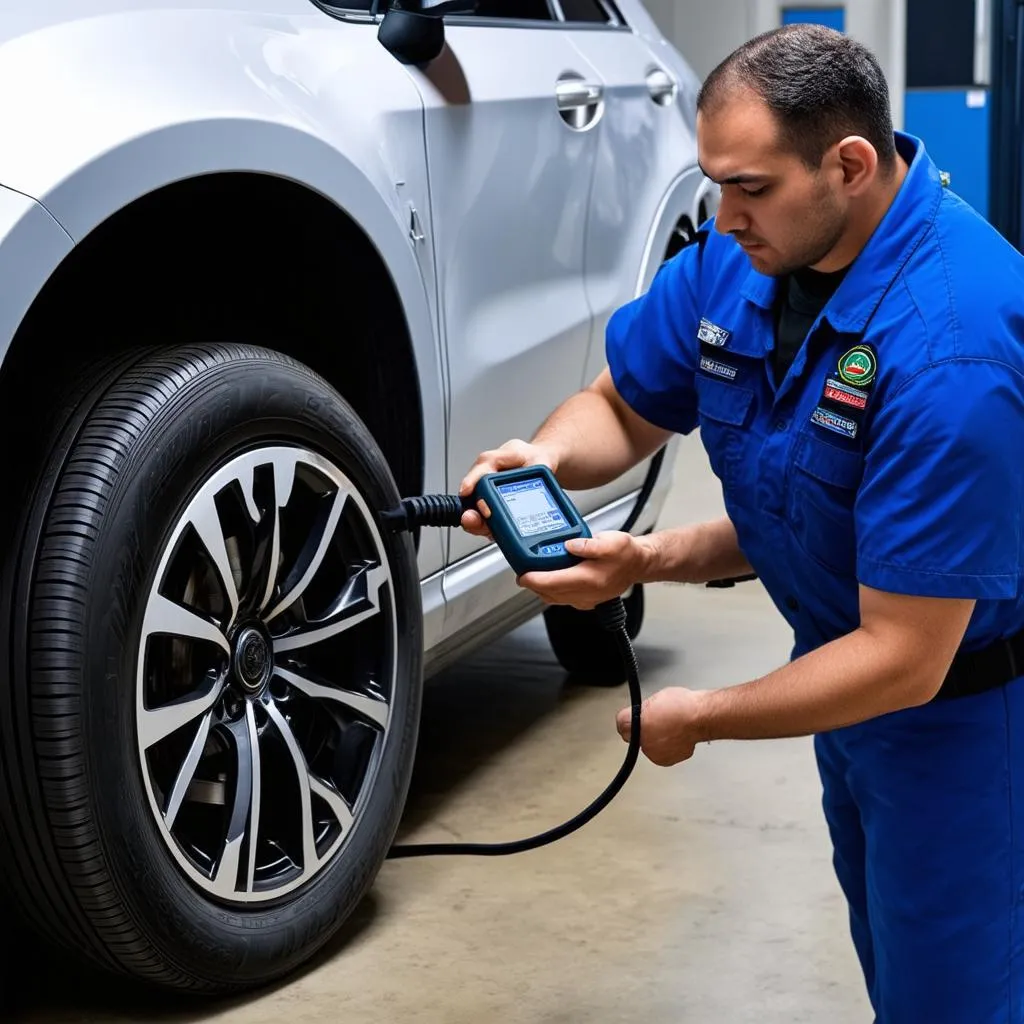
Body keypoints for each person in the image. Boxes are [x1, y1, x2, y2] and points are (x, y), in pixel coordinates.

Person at [459, 22, 1024, 1024]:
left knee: (956, 993)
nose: (722, 216)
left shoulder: (952, 349)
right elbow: (627, 406)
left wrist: (704, 714)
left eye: (748, 186)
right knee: (896, 966)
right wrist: (555, 470)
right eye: (714, 182)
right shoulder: (744, 262)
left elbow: (904, 654)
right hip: (850, 702)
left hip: (965, 730)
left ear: (847, 165)